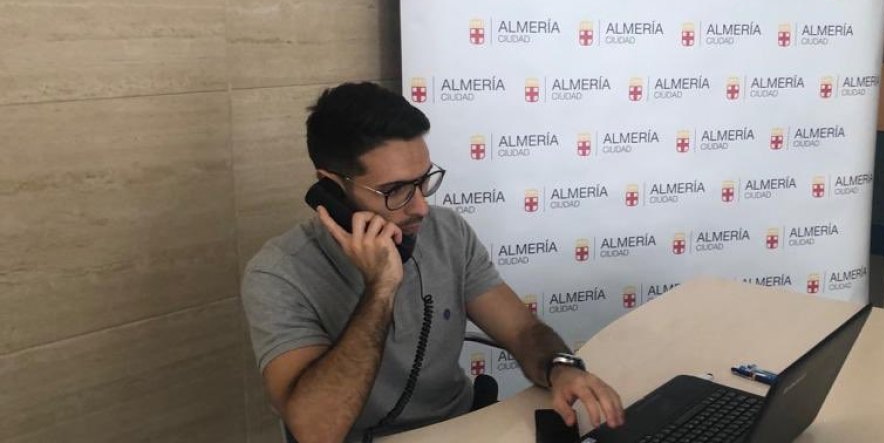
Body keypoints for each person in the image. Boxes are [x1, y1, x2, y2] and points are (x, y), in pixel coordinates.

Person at [242, 82, 625, 442]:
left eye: (423, 180)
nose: (421, 206)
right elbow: (316, 430)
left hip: (462, 427)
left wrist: (560, 368)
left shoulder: (447, 232)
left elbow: (521, 330)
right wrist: (381, 287)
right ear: (331, 187)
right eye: (394, 191)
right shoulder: (278, 273)